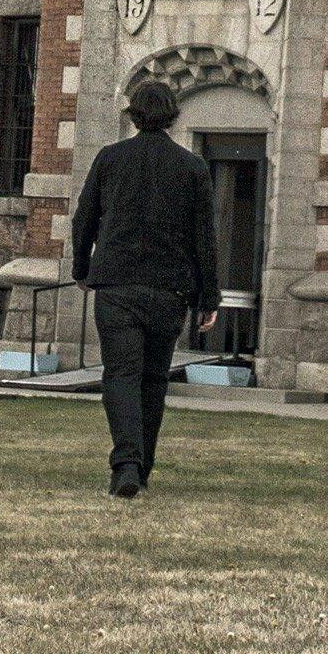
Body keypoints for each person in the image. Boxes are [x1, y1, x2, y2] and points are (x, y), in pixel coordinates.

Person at [68, 72, 219, 498]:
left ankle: (127, 461)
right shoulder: (192, 166)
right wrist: (209, 296)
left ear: (134, 116)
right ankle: (140, 464)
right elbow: (204, 237)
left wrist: (82, 267)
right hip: (169, 288)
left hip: (116, 283)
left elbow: (85, 218)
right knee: (153, 379)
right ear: (172, 117)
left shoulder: (110, 158)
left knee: (120, 374)